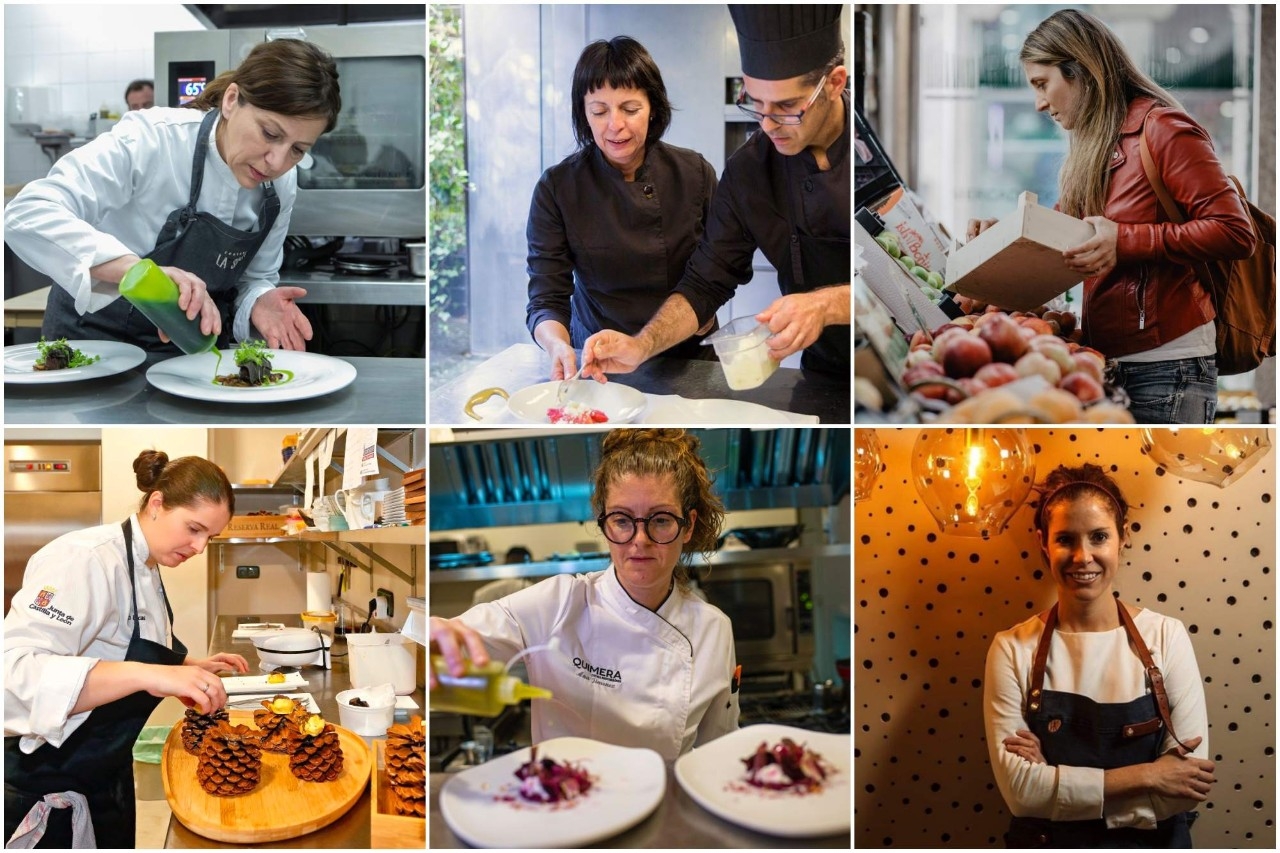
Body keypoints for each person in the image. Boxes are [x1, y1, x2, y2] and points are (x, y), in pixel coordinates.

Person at [965, 10, 1255, 424]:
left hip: (1167, 366)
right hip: (1113, 361)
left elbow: (1234, 231)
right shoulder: (1094, 144)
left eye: (1043, 84)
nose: (1039, 103)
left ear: (1081, 70)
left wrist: (1125, 242)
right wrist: (1001, 238)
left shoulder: (1164, 129)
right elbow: (1068, 233)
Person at [5, 39, 342, 353]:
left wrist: (260, 300)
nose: (277, 162)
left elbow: (256, 277)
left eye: (298, 149)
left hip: (189, 355)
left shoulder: (281, 185)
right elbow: (27, 213)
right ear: (231, 100)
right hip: (92, 345)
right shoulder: (153, 139)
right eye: (269, 133)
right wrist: (138, 273)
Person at [430, 429, 739, 762]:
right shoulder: (558, 603)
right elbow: (460, 639)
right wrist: (437, 633)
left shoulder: (713, 629)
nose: (640, 539)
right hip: (561, 802)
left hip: (664, 808)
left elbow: (718, 755)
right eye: (622, 520)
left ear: (688, 525)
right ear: (604, 522)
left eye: (661, 520)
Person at [580, 5, 851, 380]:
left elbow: (908, 279)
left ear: (835, 83)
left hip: (896, 353)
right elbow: (705, 282)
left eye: (787, 107)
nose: (768, 125)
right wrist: (641, 345)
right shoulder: (748, 171)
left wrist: (827, 304)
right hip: (823, 372)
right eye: (755, 104)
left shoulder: (878, 149)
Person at [4, 450, 248, 848]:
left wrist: (188, 665)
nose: (200, 547)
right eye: (193, 528)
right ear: (156, 504)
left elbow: (120, 643)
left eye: (210, 537)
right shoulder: (85, 559)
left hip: (107, 775)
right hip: (49, 783)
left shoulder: (147, 565)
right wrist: (152, 674)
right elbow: (13, 675)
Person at [983, 464, 1214, 847]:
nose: (1082, 556)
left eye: (1099, 537)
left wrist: (1056, 783)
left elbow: (1183, 789)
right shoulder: (1011, 648)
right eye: (1065, 540)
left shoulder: (1166, 636)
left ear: (1123, 537)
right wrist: (1149, 776)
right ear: (1043, 542)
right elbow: (1022, 794)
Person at [526, 37, 719, 379]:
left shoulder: (695, 174)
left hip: (685, 356)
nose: (615, 124)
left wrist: (705, 309)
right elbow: (546, 298)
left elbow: (717, 270)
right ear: (583, 114)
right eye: (599, 111)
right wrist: (558, 346)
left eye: (630, 109)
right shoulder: (557, 189)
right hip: (599, 362)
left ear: (653, 108)